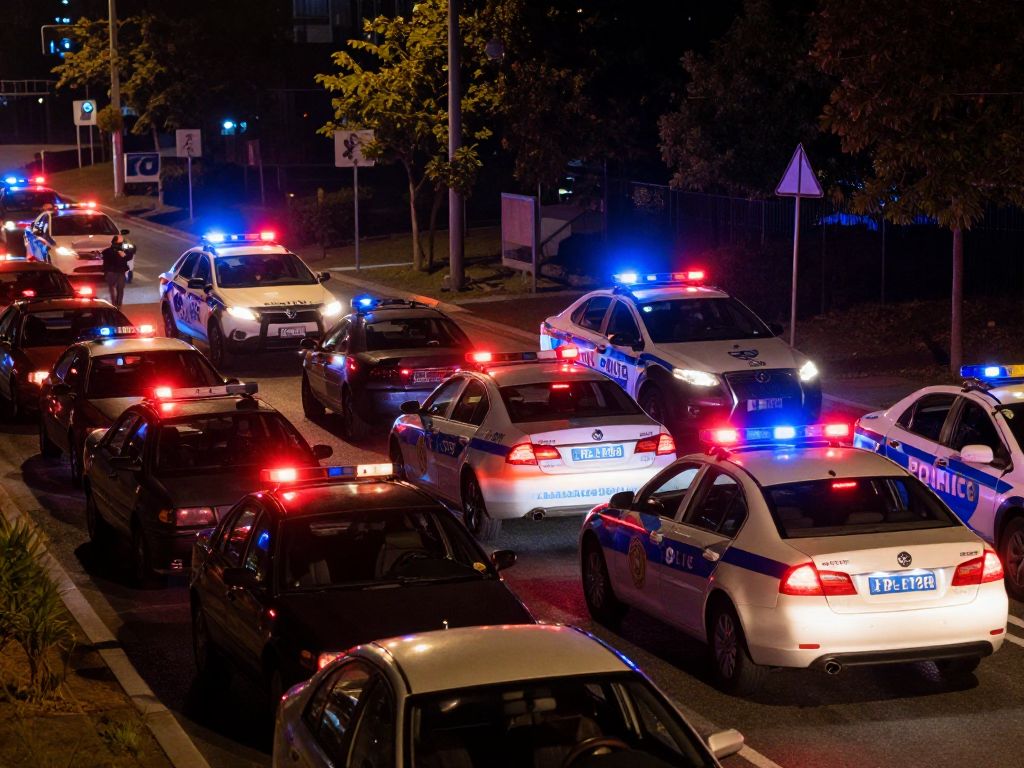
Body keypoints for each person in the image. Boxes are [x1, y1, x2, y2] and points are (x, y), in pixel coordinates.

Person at [101, 235, 130, 308]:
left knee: (120, 288)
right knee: (112, 288)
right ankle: (113, 304)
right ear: (115, 242)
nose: (122, 244)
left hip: (121, 272)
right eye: (120, 242)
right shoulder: (107, 252)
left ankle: (118, 304)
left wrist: (124, 256)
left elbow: (129, 256)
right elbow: (107, 261)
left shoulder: (124, 251)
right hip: (111, 272)